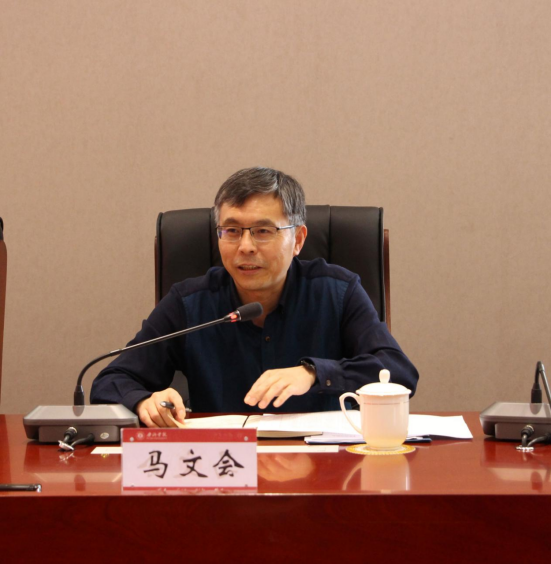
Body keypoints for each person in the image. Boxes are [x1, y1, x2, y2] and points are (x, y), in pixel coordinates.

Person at [91, 167, 418, 427]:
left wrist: (314, 373)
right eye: (232, 231)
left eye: (263, 231)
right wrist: (143, 401)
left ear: (298, 239)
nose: (245, 246)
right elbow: (111, 381)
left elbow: (398, 372)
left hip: (326, 467)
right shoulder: (190, 303)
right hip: (225, 470)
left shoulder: (338, 292)